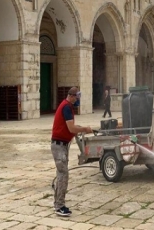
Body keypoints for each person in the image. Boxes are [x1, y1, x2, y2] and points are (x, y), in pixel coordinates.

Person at [51, 87, 92, 217]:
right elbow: (71, 128)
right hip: (59, 146)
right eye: (77, 97)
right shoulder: (67, 107)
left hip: (61, 145)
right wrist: (84, 129)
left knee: (61, 174)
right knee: (63, 175)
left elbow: (71, 128)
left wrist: (81, 129)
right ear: (72, 96)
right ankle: (60, 206)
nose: (78, 100)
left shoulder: (67, 106)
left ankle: (57, 203)